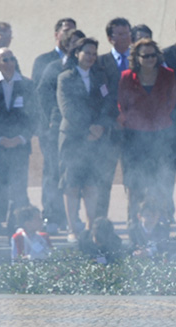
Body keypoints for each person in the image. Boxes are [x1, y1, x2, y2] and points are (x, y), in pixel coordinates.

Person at [56, 38, 117, 244]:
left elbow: (108, 102)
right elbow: (67, 108)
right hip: (73, 138)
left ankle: (92, 230)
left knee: (91, 185)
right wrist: (88, 128)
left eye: (93, 53)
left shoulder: (100, 77)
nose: (91, 57)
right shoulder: (65, 78)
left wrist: (100, 125)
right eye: (87, 53)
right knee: (72, 185)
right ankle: (73, 229)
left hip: (97, 139)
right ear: (76, 54)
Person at [0, 48, 36, 246]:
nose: (10, 62)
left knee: (19, 192)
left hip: (19, 148)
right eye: (5, 59)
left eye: (12, 58)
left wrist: (20, 138)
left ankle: (17, 235)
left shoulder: (28, 86)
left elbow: (35, 116)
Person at [118, 39, 176, 226]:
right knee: (135, 182)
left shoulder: (168, 75)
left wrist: (160, 119)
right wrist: (133, 120)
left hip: (161, 135)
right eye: (145, 55)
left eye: (153, 55)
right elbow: (122, 104)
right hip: (135, 136)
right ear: (137, 57)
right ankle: (134, 218)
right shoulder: (127, 77)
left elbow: (172, 102)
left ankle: (163, 219)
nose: (150, 59)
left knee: (162, 179)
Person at [31, 18, 76, 232]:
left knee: (70, 172)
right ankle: (51, 215)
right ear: (57, 35)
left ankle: (69, 216)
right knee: (52, 171)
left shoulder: (82, 64)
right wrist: (46, 123)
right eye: (66, 32)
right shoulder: (45, 62)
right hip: (50, 127)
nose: (70, 38)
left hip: (74, 129)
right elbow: (40, 94)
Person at [96, 18, 132, 219]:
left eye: (127, 33)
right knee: (104, 179)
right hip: (109, 130)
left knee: (133, 178)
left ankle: (135, 221)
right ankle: (100, 223)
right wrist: (114, 117)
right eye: (120, 34)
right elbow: (101, 95)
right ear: (110, 38)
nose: (126, 37)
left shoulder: (138, 59)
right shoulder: (101, 63)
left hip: (134, 128)